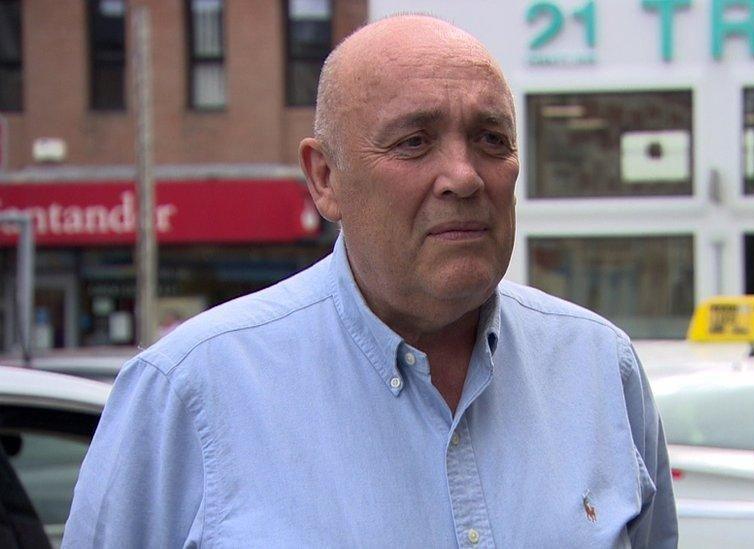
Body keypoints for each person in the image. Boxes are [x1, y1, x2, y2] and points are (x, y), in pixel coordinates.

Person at [63, 15, 678, 548]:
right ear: (325, 177)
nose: (464, 177)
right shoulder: (188, 392)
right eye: (414, 142)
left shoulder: (600, 367)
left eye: (492, 140)